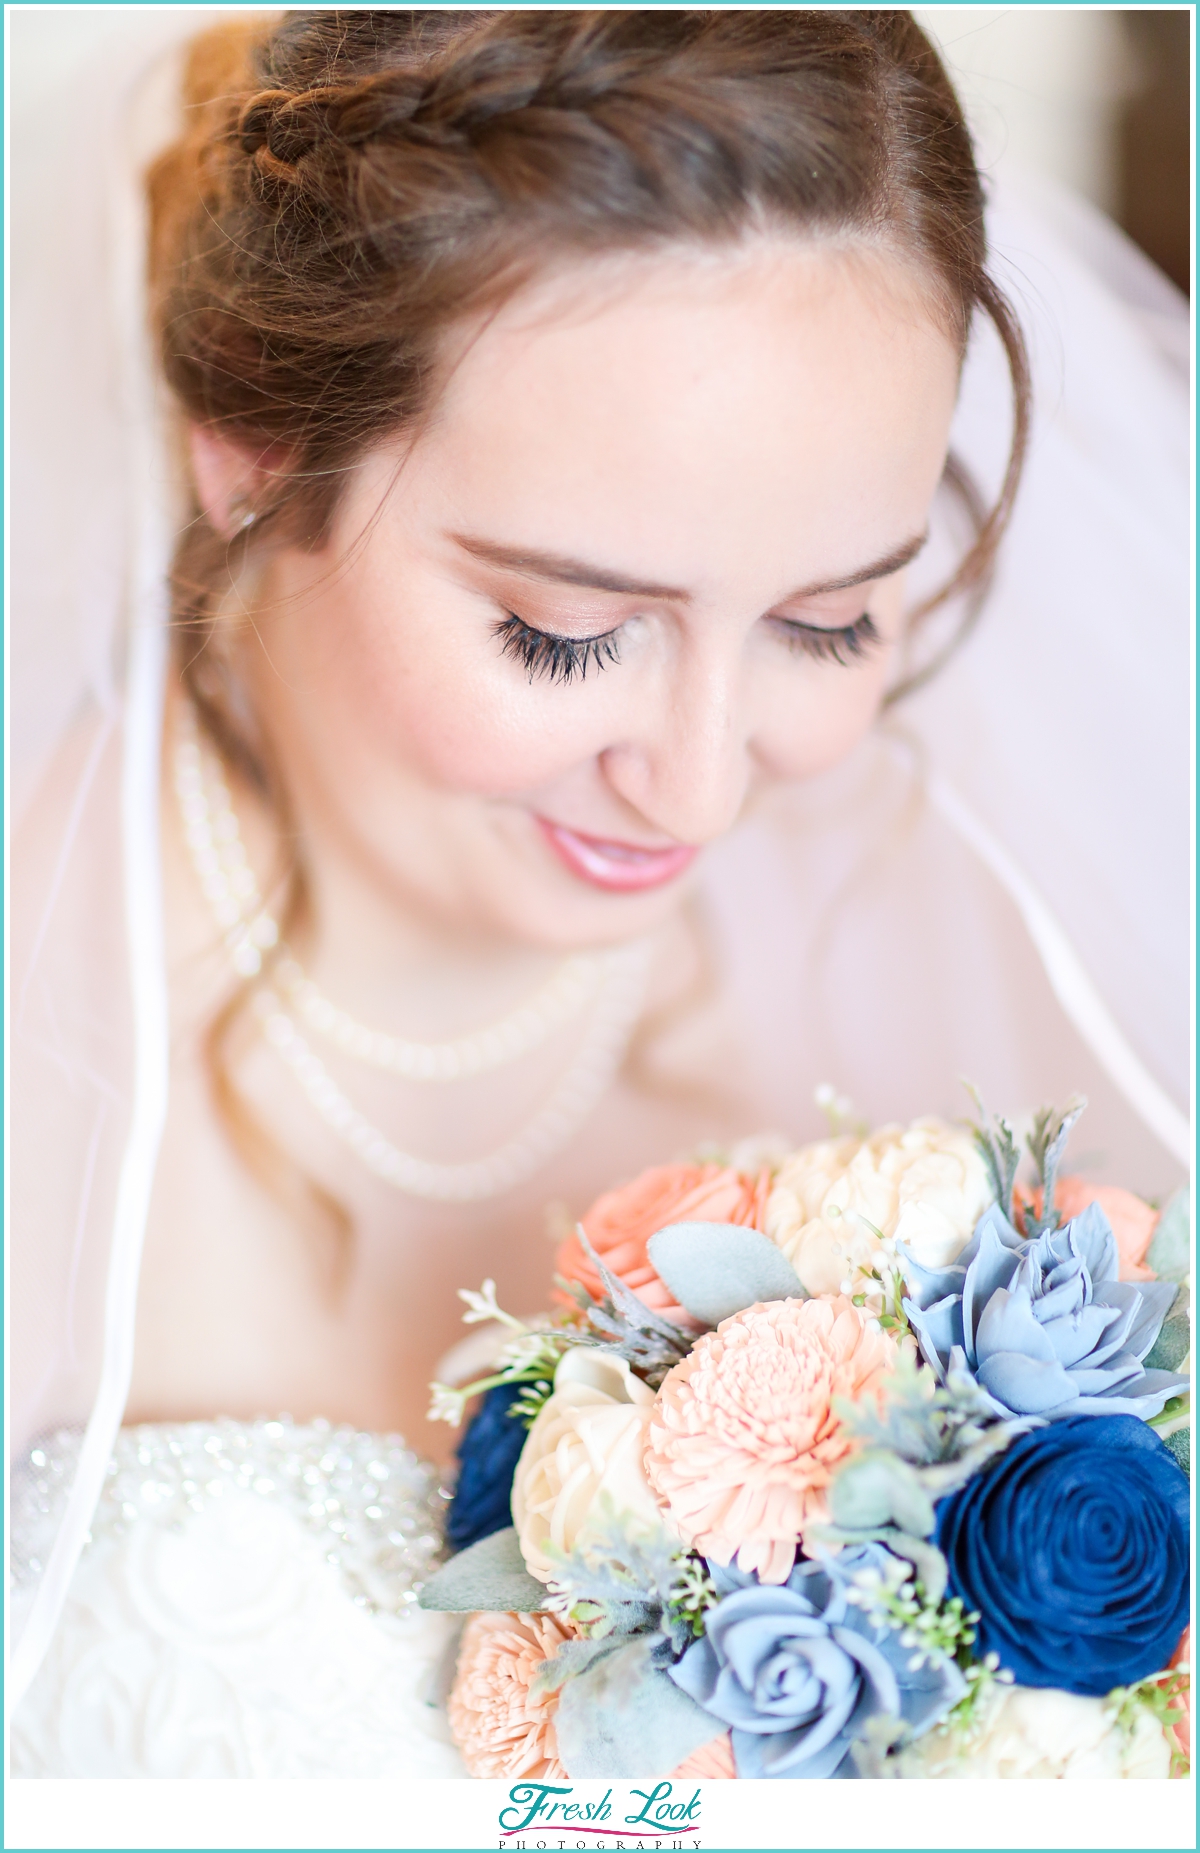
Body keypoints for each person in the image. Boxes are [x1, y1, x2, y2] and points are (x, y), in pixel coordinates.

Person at [10, 8, 1189, 1778]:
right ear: (256, 447)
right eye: (565, 635)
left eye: (830, 620)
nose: (704, 781)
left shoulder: (963, 959)